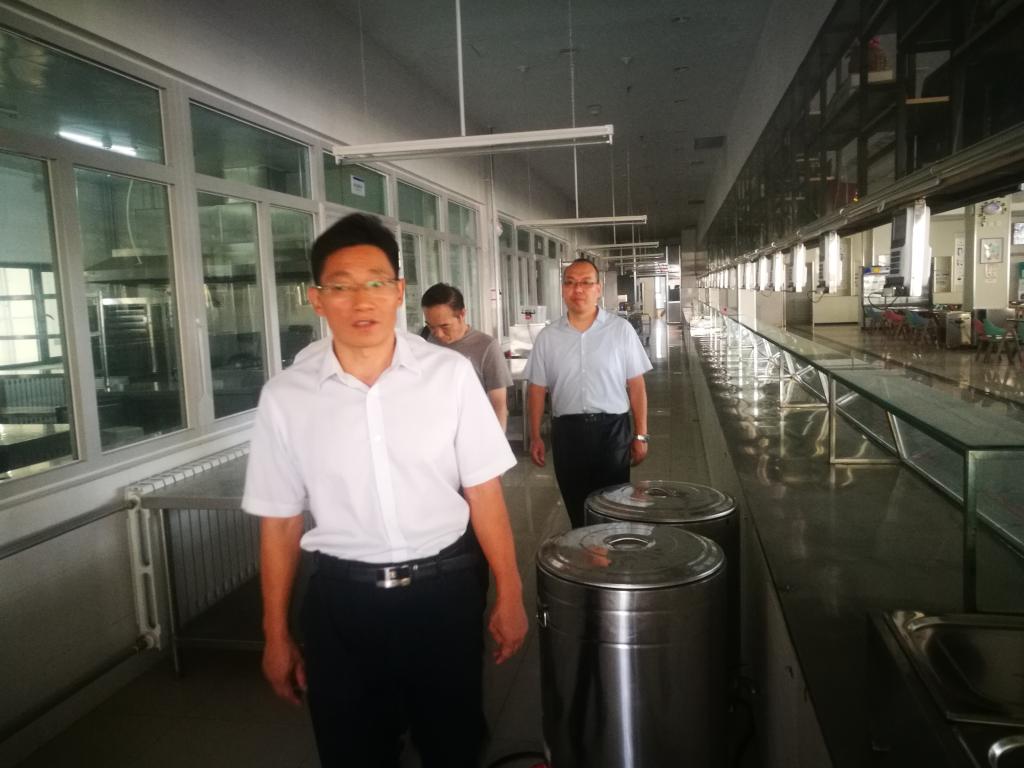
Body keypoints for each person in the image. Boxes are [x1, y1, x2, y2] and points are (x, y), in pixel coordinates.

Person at [242, 212, 527, 768]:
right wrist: (275, 632)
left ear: (399, 291)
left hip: (444, 595)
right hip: (341, 605)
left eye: (376, 282)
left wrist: (510, 592)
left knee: (453, 748)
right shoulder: (286, 397)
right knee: (353, 754)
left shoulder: (449, 377)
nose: (361, 300)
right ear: (316, 299)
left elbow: (485, 493)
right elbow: (279, 520)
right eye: (341, 286)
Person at [525, 257, 652, 528]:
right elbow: (536, 389)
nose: (578, 289)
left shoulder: (620, 330)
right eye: (570, 283)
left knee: (613, 508)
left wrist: (641, 434)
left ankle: (610, 550)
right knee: (577, 507)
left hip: (612, 431)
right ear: (563, 289)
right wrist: (535, 436)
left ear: (598, 288)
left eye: (585, 282)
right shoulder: (548, 337)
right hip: (568, 433)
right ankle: (584, 550)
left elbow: (637, 385)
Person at [422, 282, 513, 430]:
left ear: (462, 315)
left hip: (475, 430)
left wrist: (498, 441)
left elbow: (499, 405)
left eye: (445, 326)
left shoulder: (486, 346)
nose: (438, 334)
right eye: (431, 326)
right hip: (437, 431)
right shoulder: (425, 343)